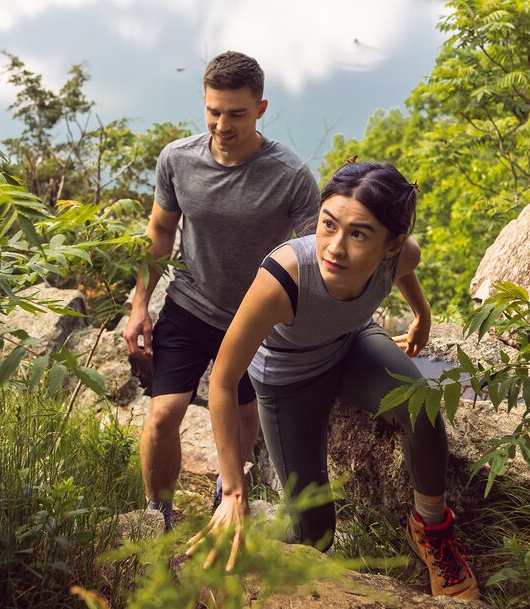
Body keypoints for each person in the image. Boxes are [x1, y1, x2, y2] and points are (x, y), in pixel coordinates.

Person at [187, 161, 479, 600]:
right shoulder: (284, 278)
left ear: (390, 244)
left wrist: (422, 315)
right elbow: (224, 381)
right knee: (314, 534)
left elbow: (404, 272)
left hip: (350, 344)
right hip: (289, 380)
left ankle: (432, 528)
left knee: (421, 404)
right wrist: (233, 491)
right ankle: (250, 514)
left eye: (359, 234)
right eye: (328, 225)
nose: (335, 248)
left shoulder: (403, 255)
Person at [122, 51, 320, 531]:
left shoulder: (290, 175)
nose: (222, 123)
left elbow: (317, 250)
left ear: (261, 109)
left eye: (236, 113)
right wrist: (139, 306)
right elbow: (160, 234)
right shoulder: (177, 159)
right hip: (190, 303)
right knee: (165, 414)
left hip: (254, 316)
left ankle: (224, 494)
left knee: (240, 414)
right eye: (213, 110)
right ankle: (158, 514)